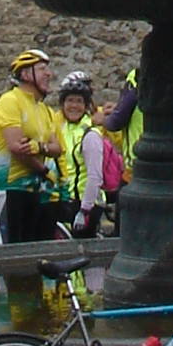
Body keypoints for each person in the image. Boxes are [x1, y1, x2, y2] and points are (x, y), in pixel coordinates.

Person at [0, 50, 63, 245]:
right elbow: (17, 148)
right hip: (12, 187)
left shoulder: (44, 109)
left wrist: (38, 146)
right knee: (14, 255)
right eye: (42, 69)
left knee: (39, 256)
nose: (49, 74)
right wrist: (44, 169)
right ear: (26, 75)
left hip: (39, 192)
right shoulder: (10, 101)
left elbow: (57, 148)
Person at [53, 71, 113, 237]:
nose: (74, 106)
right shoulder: (62, 129)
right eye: (69, 100)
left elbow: (94, 176)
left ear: (86, 106)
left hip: (85, 204)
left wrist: (84, 210)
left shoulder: (90, 133)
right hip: (67, 200)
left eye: (79, 101)